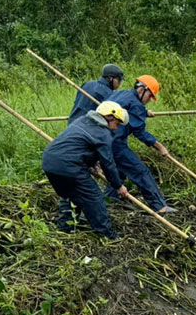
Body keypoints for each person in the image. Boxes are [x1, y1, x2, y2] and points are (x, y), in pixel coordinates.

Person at [41, 101, 131, 239]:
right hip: (69, 165)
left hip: (50, 162)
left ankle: (65, 228)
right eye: (117, 124)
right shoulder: (103, 133)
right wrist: (118, 185)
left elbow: (80, 146)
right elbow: (108, 163)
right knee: (94, 198)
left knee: (71, 194)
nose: (115, 128)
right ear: (109, 117)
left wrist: (91, 165)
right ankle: (107, 235)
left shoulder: (82, 121)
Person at [105, 75, 176, 214]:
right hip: (116, 144)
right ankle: (159, 206)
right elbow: (140, 133)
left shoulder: (121, 94)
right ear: (142, 89)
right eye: (150, 96)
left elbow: (127, 108)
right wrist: (160, 147)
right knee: (140, 171)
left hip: (102, 140)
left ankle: (108, 201)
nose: (149, 100)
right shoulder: (136, 105)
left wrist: (143, 112)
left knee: (119, 173)